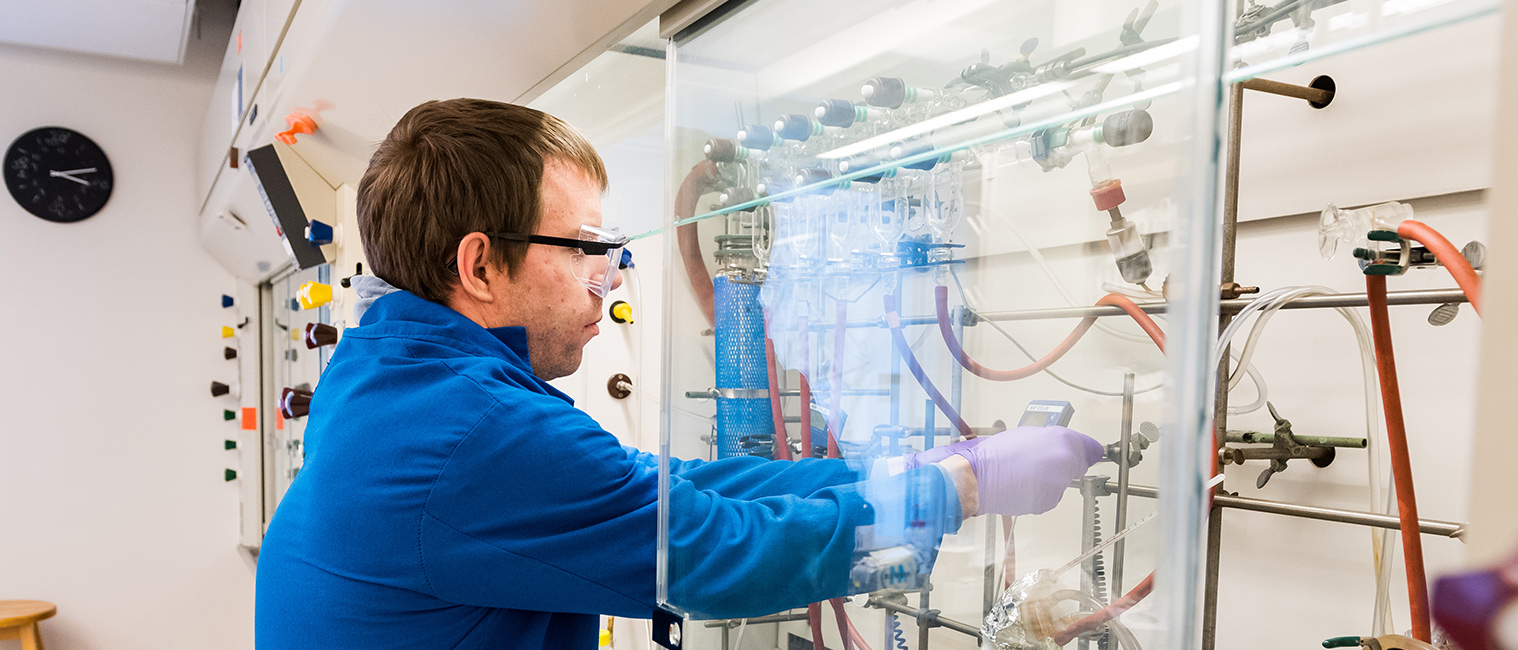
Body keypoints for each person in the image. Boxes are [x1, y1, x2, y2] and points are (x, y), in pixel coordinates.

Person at [254, 98, 1104, 650]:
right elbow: (714, 552)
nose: (612, 272)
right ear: (479, 266)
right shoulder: (469, 430)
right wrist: (958, 490)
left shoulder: (389, 374)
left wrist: (895, 473)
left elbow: (660, 485)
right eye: (588, 245)